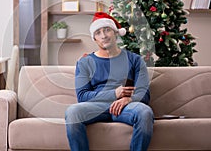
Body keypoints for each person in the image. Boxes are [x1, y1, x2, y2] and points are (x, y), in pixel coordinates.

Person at [65, 12, 154, 151]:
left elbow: (144, 93)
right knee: (72, 112)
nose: (104, 35)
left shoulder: (135, 60)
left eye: (107, 30)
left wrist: (128, 100)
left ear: (115, 33)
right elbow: (82, 96)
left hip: (125, 107)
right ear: (94, 38)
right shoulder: (85, 62)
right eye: (98, 32)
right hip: (96, 107)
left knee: (145, 112)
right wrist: (114, 93)